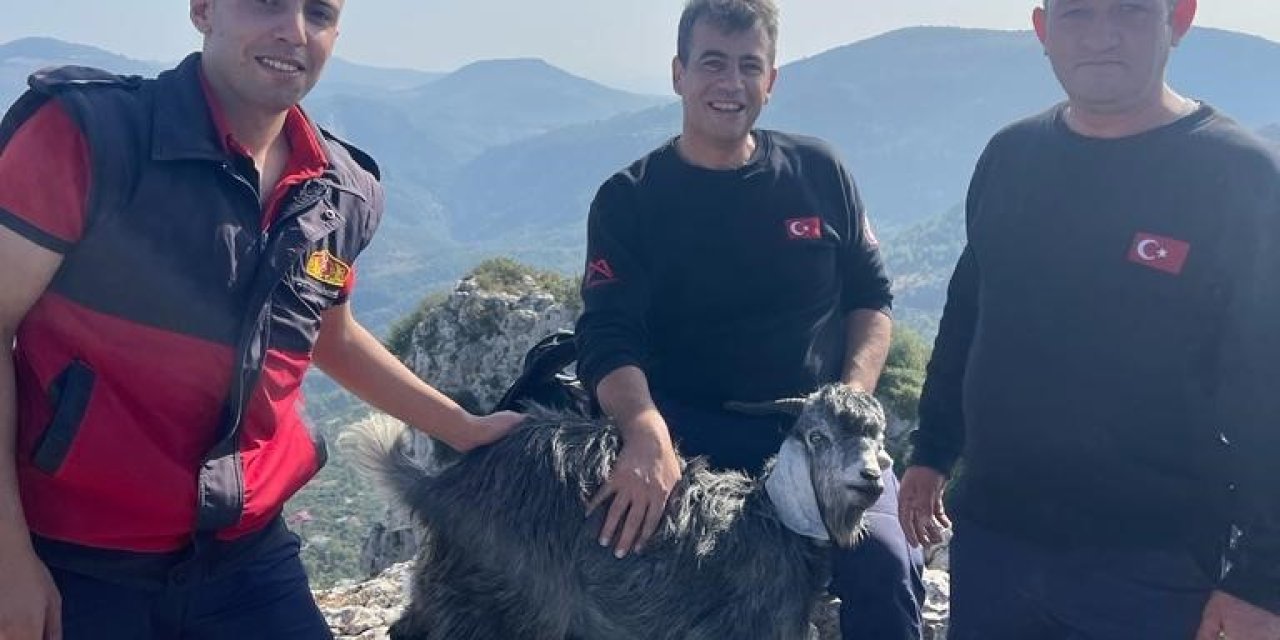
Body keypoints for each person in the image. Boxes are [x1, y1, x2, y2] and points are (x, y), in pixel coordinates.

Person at [0, 1, 522, 638]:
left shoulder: (340, 191)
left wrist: (464, 429)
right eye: (267, 2)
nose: (294, 31)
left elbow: (331, 336)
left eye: (318, 13)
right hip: (73, 554)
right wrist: (7, 557)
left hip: (244, 557)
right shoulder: (87, 135)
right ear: (204, 10)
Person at [897, 0, 1280, 638]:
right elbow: (968, 315)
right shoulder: (1010, 156)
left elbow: (1272, 383)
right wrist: (932, 450)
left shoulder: (1238, 176)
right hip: (996, 543)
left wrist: (1263, 579)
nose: (1102, 35)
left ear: (1178, 19)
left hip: (1157, 565)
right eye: (1077, 13)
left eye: (1129, 10)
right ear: (1043, 30)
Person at [574, 1, 925, 637]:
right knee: (626, 569)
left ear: (771, 80)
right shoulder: (630, 199)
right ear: (679, 73)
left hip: (815, 432)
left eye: (749, 66)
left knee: (884, 565)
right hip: (687, 435)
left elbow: (871, 299)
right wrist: (644, 431)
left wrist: (848, 405)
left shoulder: (820, 173)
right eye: (712, 63)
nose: (731, 83)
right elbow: (607, 335)